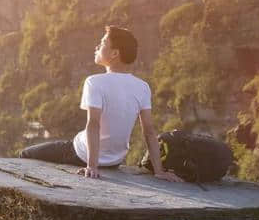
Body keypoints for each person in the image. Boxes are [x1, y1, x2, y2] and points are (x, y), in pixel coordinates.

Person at [19, 25, 183, 183]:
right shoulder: (142, 86)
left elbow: (94, 124)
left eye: (103, 43)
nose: (97, 46)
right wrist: (159, 171)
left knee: (26, 154)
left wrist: (91, 165)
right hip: (115, 160)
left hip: (81, 153)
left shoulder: (94, 82)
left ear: (114, 54)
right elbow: (149, 131)